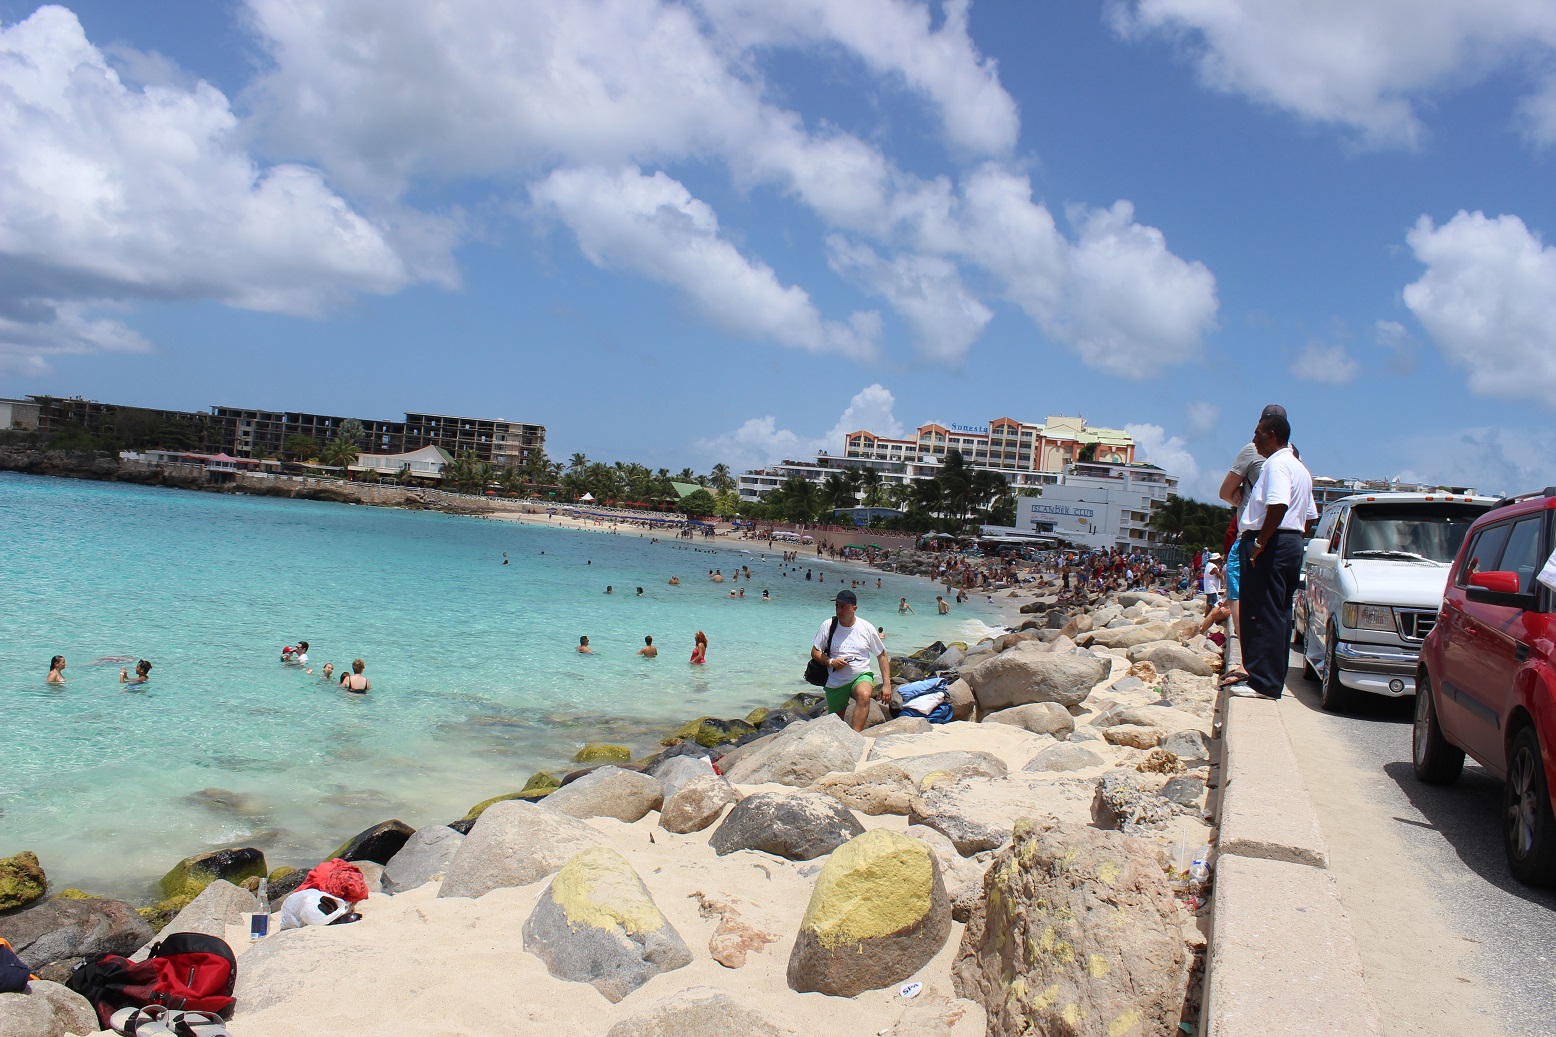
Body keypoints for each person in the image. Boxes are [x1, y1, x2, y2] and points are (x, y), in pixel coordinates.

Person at [1231, 411, 1318, 701]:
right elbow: (1308, 518)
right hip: (1291, 542)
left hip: (1271, 542)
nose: (1254, 439)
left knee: (1260, 613)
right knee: (1279, 613)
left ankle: (1262, 682)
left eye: (1258, 434)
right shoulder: (1300, 468)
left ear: (1271, 435)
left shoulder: (1276, 465)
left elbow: (1277, 505)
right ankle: (1270, 679)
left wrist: (1260, 542)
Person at [811, 589, 890, 733]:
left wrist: (887, 685)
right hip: (836, 681)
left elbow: (882, 655)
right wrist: (831, 662)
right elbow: (815, 652)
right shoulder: (828, 625)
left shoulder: (866, 628)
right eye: (837, 606)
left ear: (854, 608)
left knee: (864, 695)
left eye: (843, 607)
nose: (839, 611)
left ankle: (856, 735)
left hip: (861, 675)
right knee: (835, 723)